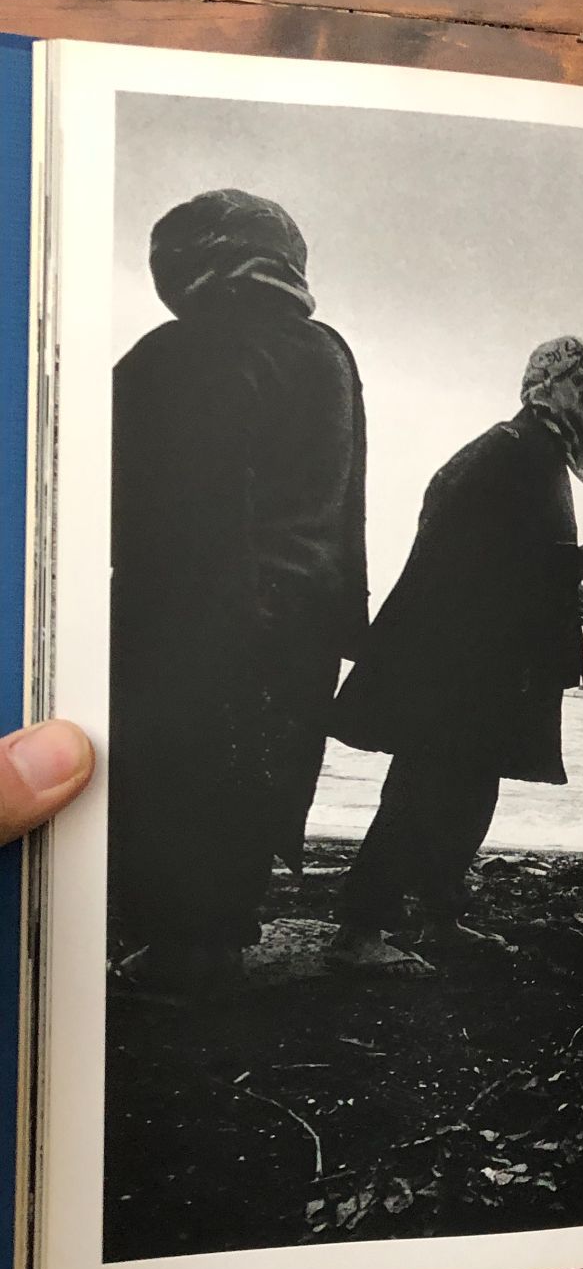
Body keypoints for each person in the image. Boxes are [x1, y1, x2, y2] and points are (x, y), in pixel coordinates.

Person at [111, 190, 368, 991]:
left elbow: (162, 511)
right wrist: (344, 622)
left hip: (199, 617)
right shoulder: (329, 353)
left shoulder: (179, 353)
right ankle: (219, 941)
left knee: (172, 781)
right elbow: (348, 505)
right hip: (305, 622)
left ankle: (180, 950)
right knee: (262, 782)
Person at [331, 336, 583, 973]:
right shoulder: (510, 450)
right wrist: (563, 569)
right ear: (547, 387)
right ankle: (360, 929)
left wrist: (561, 585)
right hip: (460, 669)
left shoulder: (530, 451)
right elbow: (468, 560)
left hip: (483, 665)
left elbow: (503, 557)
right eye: (581, 391)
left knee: (465, 794)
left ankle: (440, 917)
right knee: (424, 789)